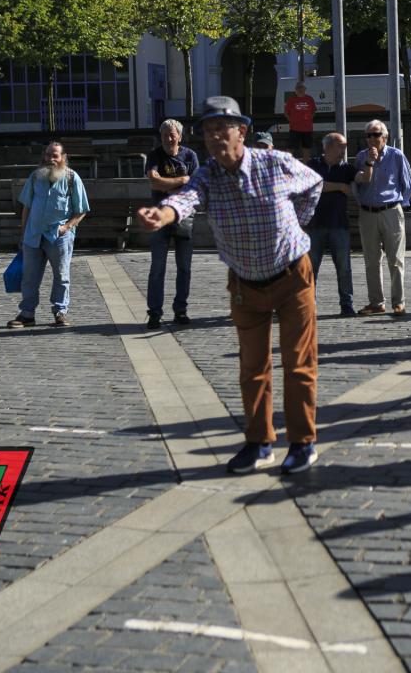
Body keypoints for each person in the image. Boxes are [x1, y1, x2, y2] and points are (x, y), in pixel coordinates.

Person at [136, 95, 324, 475]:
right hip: (245, 284)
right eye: (208, 130)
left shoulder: (274, 163)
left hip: (292, 277)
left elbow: (315, 183)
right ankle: (260, 443)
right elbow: (187, 198)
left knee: (298, 364)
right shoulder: (208, 175)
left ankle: (303, 443)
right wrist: (164, 214)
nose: (214, 136)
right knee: (252, 367)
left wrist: (296, 224)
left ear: (242, 131)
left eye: (222, 128)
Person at [7, 142, 90, 329]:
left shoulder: (72, 178)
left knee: (61, 275)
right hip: (33, 235)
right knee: (29, 277)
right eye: (48, 155)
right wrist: (23, 234)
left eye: (55, 155)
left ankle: (60, 311)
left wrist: (67, 227)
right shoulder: (35, 177)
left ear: (63, 157)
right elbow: (26, 207)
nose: (51, 159)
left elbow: (82, 210)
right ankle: (27, 314)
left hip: (59, 237)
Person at [353, 120, 411, 316]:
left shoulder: (396, 156)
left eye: (376, 134)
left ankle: (399, 302)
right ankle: (376, 302)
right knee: (371, 261)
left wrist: (399, 205)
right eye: (368, 135)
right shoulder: (361, 157)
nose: (372, 138)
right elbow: (357, 184)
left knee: (395, 260)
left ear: (385, 137)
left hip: (391, 211)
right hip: (367, 213)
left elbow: (408, 185)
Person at [144, 119, 199, 329]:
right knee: (157, 268)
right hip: (159, 218)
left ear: (180, 136)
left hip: (185, 217)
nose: (168, 138)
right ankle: (154, 313)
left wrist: (166, 184)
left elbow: (195, 187)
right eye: (164, 134)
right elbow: (153, 181)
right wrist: (181, 181)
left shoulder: (190, 156)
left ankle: (180, 310)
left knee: (184, 268)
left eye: (172, 134)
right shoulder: (154, 155)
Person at [305, 132, 357, 316]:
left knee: (344, 268)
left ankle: (347, 304)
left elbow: (361, 181)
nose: (343, 150)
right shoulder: (313, 164)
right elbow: (312, 185)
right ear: (327, 147)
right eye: (340, 146)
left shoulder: (346, 168)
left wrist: (370, 163)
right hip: (314, 224)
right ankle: (308, 305)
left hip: (339, 224)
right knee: (311, 268)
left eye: (345, 146)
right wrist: (340, 186)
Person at [283, 82, 316, 160]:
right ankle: (286, 164)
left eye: (302, 87)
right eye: (298, 88)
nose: (300, 89)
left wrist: (309, 119)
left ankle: (305, 165)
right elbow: (286, 112)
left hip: (307, 129)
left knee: (306, 149)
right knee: (290, 149)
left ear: (305, 89)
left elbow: (314, 111)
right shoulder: (291, 99)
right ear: (295, 90)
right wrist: (291, 120)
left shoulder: (310, 99)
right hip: (294, 129)